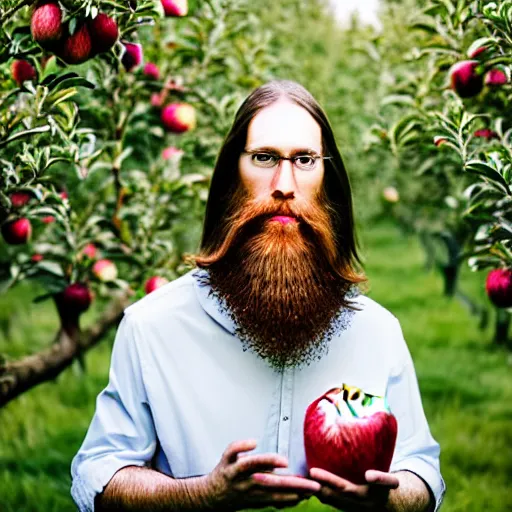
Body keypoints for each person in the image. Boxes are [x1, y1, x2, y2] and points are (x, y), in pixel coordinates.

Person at [71, 80, 446, 512]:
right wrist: (201, 494)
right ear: (233, 176)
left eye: (304, 160)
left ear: (328, 181)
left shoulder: (375, 332)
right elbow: (96, 476)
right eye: (264, 158)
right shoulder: (152, 327)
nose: (283, 184)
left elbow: (422, 471)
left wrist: (391, 499)